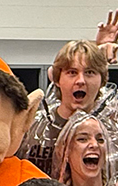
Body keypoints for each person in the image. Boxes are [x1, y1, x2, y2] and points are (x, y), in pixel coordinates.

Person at [19, 40, 111, 174]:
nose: (81, 81)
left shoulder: (111, 134)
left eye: (90, 72)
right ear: (57, 80)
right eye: (72, 72)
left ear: (102, 81)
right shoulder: (31, 127)